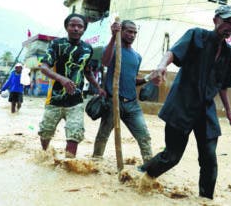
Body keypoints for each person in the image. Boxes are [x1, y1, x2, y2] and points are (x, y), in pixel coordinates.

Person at [138, 5, 231, 199]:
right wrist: (161, 66)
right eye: (227, 21)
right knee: (172, 157)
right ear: (215, 20)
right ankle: (141, 175)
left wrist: (229, 111)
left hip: (206, 111)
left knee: (209, 158)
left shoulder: (228, 53)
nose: (230, 25)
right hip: (182, 105)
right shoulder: (196, 35)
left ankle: (205, 199)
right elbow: (173, 53)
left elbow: (223, 85)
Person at [38, 13, 105, 158]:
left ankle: (68, 165)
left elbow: (87, 71)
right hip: (54, 99)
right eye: (72, 25)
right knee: (45, 132)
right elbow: (44, 67)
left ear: (84, 30)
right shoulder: (56, 44)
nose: (76, 28)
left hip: (76, 101)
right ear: (66, 27)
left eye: (79, 26)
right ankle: (43, 157)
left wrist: (98, 87)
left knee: (74, 135)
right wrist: (61, 79)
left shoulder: (88, 49)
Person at [92, 20, 153, 164]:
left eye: (134, 32)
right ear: (121, 31)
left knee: (144, 137)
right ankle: (95, 163)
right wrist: (114, 37)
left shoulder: (137, 57)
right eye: (129, 31)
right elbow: (106, 62)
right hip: (113, 102)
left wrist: (148, 78)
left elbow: (132, 80)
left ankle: (150, 168)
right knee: (103, 135)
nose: (132, 35)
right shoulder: (113, 49)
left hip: (132, 104)